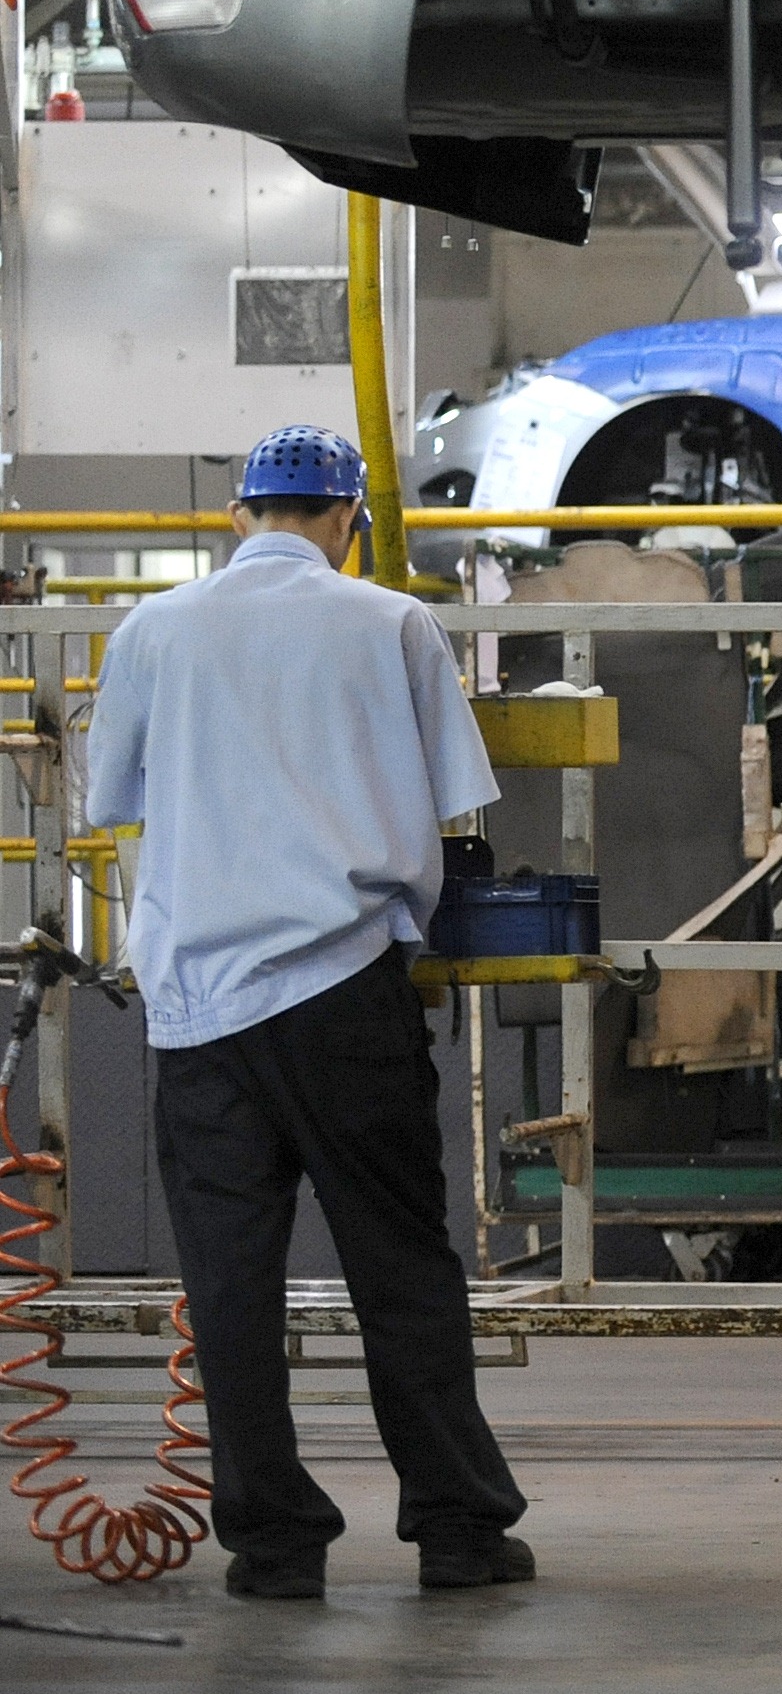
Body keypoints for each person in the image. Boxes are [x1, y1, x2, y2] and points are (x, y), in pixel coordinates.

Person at [83, 427, 532, 1601]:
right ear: (348, 520)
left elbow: (113, 797)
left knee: (230, 1279)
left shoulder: (151, 630)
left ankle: (274, 1544)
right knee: (400, 1263)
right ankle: (457, 1530)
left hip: (198, 1009)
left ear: (241, 513)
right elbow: (456, 807)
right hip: (344, 991)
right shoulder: (391, 623)